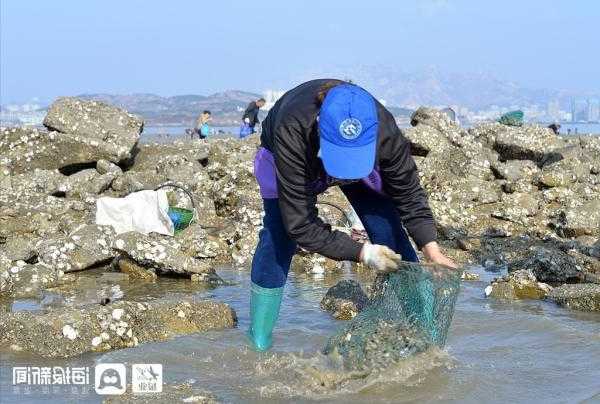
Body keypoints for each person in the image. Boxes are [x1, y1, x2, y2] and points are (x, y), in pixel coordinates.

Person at [247, 79, 457, 352]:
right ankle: (259, 338)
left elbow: (408, 192)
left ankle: (426, 332)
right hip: (292, 157)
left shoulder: (383, 128)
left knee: (390, 233)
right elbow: (299, 225)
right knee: (279, 236)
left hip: (362, 163)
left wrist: (432, 248)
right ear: (320, 125)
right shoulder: (292, 128)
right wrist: (363, 253)